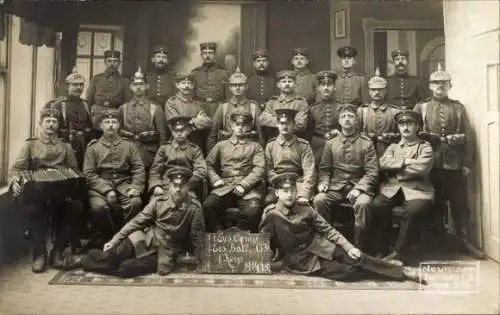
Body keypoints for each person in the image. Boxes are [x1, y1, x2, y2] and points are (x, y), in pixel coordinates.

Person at [259, 172, 423, 284]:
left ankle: (403, 273)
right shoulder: (272, 215)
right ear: (277, 193)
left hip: (320, 246)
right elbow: (262, 243)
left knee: (357, 257)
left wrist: (349, 247)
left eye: (292, 190)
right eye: (285, 191)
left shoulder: (305, 208)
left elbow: (328, 230)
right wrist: (264, 260)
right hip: (300, 260)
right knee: (348, 272)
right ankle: (389, 272)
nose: (289, 195)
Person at [79, 166, 206, 278]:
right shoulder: (159, 201)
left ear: (188, 187)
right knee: (114, 255)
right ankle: (81, 260)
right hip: (145, 239)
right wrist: (114, 240)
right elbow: (137, 222)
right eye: (175, 185)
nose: (178, 190)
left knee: (126, 268)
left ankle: (92, 260)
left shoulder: (194, 207)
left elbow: (197, 236)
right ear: (170, 186)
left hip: (164, 251)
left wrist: (197, 258)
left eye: (182, 186)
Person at [8, 108, 84, 272]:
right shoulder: (30, 145)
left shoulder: (65, 147)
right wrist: (15, 181)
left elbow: (74, 170)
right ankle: (39, 253)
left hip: (61, 194)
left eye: (54, 121)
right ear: (40, 124)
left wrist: (68, 181)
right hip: (37, 193)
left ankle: (57, 251)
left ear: (58, 125)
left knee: (75, 208)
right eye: (47, 121)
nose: (51, 124)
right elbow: (16, 169)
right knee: (34, 210)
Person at [413, 63, 473, 242]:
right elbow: (412, 137)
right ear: (430, 86)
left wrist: (468, 162)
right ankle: (436, 242)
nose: (440, 86)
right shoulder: (421, 107)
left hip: (454, 164)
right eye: (436, 83)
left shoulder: (458, 108)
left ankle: (464, 240)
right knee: (433, 203)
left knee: (459, 203)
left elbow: (469, 137)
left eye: (444, 83)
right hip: (430, 164)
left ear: (450, 86)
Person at [369, 111, 434, 261]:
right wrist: (405, 162)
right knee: (378, 205)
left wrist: (396, 168)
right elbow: (383, 163)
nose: (405, 127)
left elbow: (422, 168)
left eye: (410, 124)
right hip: (392, 188)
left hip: (417, 189)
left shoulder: (425, 147)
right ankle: (381, 249)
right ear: (398, 127)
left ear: (417, 126)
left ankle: (401, 252)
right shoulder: (392, 147)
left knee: (414, 210)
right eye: (402, 124)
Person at [313, 104, 379, 251]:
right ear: (339, 121)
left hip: (359, 187)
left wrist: (359, 189)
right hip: (336, 187)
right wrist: (323, 182)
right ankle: (327, 245)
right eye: (343, 116)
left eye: (350, 116)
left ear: (356, 120)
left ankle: (359, 247)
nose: (347, 119)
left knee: (363, 204)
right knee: (319, 200)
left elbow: (372, 172)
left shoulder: (366, 143)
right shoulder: (331, 143)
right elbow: (324, 169)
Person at [83, 109, 145, 247]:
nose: (111, 125)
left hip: (124, 184)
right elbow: (89, 173)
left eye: (114, 122)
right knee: (98, 208)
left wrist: (136, 187)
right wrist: (106, 190)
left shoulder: (129, 146)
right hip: (99, 188)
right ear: (101, 126)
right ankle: (108, 238)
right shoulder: (93, 148)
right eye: (107, 122)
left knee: (135, 202)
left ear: (118, 125)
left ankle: (123, 239)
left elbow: (138, 169)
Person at [203, 108, 265, 233]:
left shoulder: (255, 147)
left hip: (248, 189)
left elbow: (259, 169)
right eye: (237, 124)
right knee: (208, 206)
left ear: (249, 126)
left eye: (244, 124)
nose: (240, 127)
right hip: (225, 187)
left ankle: (240, 234)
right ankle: (219, 233)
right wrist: (215, 179)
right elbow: (208, 164)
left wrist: (244, 184)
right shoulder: (221, 145)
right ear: (231, 125)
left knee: (254, 210)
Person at [118, 67, 167, 170]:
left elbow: (162, 136)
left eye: (141, 84)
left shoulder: (155, 108)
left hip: (148, 153)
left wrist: (160, 157)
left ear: (147, 86)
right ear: (131, 86)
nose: (138, 87)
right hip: (127, 152)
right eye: (135, 84)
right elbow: (118, 133)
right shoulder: (123, 108)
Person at [44, 66, 93, 170]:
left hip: (82, 145)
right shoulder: (60, 105)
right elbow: (52, 128)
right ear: (67, 87)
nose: (79, 88)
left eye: (81, 85)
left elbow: (90, 127)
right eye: (75, 85)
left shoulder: (85, 104)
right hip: (65, 144)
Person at [264, 108, 315, 206]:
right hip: (277, 184)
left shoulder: (303, 145)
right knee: (268, 203)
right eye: (282, 123)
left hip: (298, 184)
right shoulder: (270, 145)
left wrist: (304, 193)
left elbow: (310, 172)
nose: (285, 126)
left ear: (294, 125)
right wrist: (278, 182)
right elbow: (268, 170)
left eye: (288, 123)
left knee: (302, 206)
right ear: (277, 125)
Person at [149, 116, 207, 200]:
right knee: (155, 204)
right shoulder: (164, 149)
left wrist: (187, 184)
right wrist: (156, 185)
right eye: (176, 131)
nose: (179, 133)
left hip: (186, 187)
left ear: (188, 131)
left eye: (182, 130)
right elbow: (155, 171)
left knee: (192, 206)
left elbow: (201, 170)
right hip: (166, 187)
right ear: (172, 132)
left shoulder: (194, 149)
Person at [207, 67, 264, 152]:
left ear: (246, 86)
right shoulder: (223, 107)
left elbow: (261, 135)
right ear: (230, 87)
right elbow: (212, 134)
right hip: (227, 150)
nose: (237, 88)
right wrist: (212, 156)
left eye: (241, 85)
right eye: (234, 85)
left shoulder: (253, 107)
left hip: (248, 150)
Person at [164, 72, 213, 154]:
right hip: (177, 146)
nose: (186, 86)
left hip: (196, 145)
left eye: (189, 83)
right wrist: (196, 121)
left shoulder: (197, 104)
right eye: (183, 83)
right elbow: (175, 125)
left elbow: (208, 123)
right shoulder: (171, 103)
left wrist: (191, 122)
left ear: (193, 86)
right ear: (177, 85)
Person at [358, 67, 401, 157]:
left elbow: (401, 135)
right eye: (373, 90)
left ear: (385, 91)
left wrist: (390, 136)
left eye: (380, 89)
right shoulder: (362, 111)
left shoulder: (394, 111)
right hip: (367, 152)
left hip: (388, 151)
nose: (377, 92)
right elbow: (357, 134)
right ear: (369, 92)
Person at [86, 50, 132, 128]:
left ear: (119, 63)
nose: (112, 64)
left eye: (115, 61)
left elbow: (127, 103)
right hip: (98, 115)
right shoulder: (96, 79)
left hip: (116, 115)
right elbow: (89, 99)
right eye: (109, 61)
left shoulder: (125, 81)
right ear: (105, 62)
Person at [259, 70, 309, 141]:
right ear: (278, 84)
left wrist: (274, 119)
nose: (287, 84)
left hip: (295, 142)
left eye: (290, 81)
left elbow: (300, 124)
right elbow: (263, 120)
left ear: (295, 84)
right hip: (274, 141)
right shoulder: (272, 102)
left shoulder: (301, 102)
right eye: (284, 82)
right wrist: (290, 121)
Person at [309, 70, 340, 166]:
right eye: (323, 85)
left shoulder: (340, 107)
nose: (326, 88)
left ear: (334, 87)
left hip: (337, 146)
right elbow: (308, 133)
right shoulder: (312, 109)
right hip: (317, 147)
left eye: (329, 85)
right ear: (318, 88)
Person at [191, 42, 230, 117]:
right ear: (201, 55)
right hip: (199, 108)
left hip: (219, 107)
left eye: (210, 53)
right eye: (205, 53)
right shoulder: (195, 73)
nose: (207, 56)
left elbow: (228, 96)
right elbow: (191, 95)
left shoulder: (224, 73)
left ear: (215, 55)